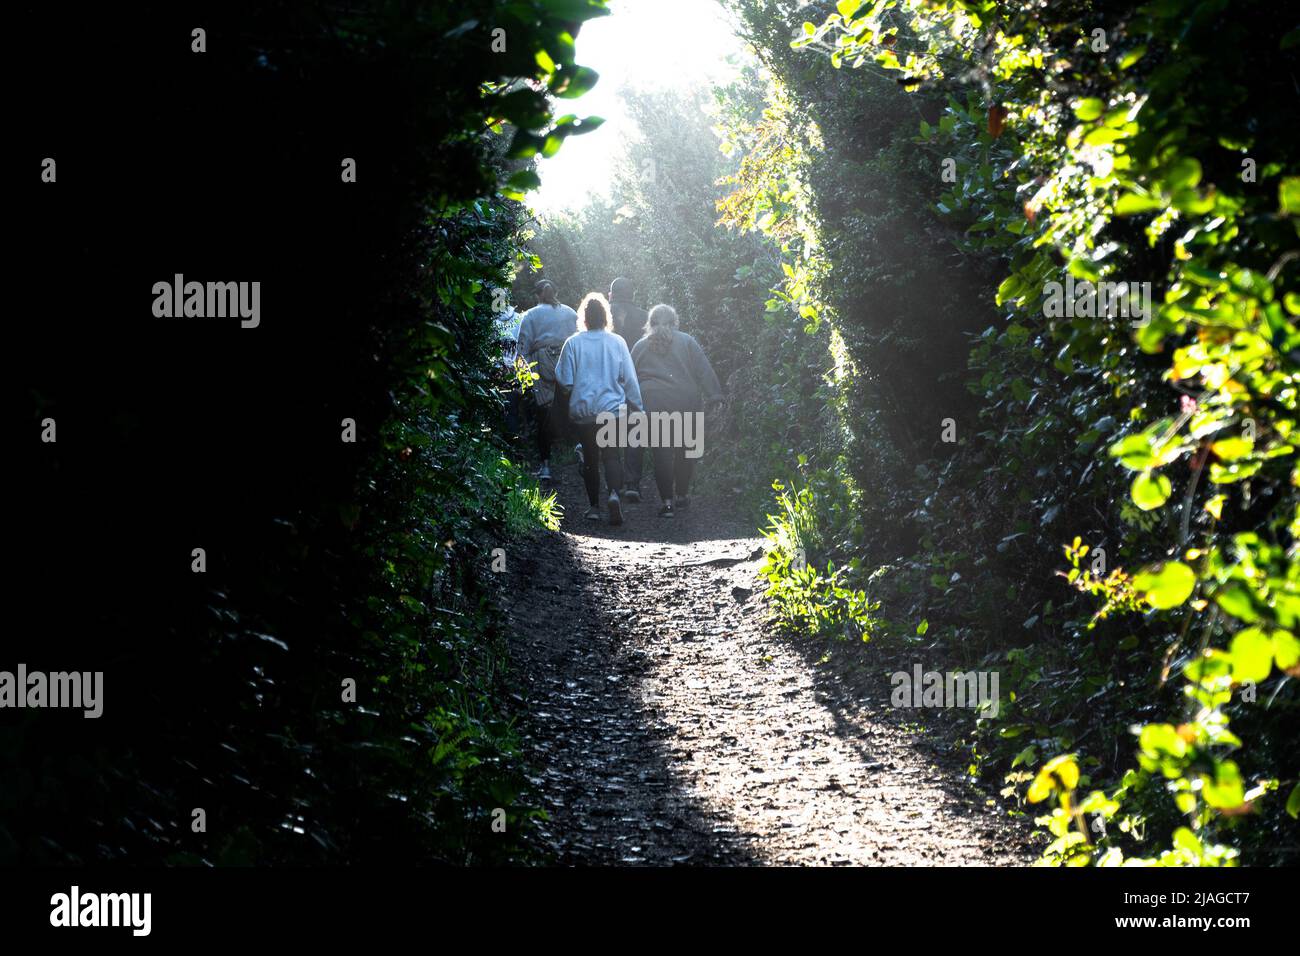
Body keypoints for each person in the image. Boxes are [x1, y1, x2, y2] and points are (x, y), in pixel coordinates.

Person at [555, 293, 643, 525]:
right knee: (612, 455)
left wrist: (574, 392)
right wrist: (638, 407)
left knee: (590, 459)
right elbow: (630, 380)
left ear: (584, 317)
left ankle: (594, 507)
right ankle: (614, 494)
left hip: (584, 411)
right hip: (612, 411)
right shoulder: (617, 342)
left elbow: (564, 380)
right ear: (606, 316)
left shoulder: (573, 343)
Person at [630, 304, 723, 518]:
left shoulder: (640, 346)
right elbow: (703, 370)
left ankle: (667, 503)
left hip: (654, 404)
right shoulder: (687, 341)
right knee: (685, 450)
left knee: (661, 452)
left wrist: (628, 405)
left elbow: (629, 377)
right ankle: (681, 494)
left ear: (649, 323)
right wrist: (715, 395)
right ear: (675, 322)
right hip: (686, 401)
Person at [515, 279, 578, 480]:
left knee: (543, 415)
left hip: (541, 366)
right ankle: (581, 449)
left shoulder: (531, 315)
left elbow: (522, 348)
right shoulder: (570, 312)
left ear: (537, 295)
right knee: (571, 409)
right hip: (568, 363)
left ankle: (546, 467)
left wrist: (523, 377)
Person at [608, 277, 648, 501]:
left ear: (611, 294)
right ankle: (632, 483)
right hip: (637, 379)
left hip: (609, 380)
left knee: (610, 429)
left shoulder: (605, 312)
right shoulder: (644, 316)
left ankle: (613, 484)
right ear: (632, 294)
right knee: (635, 427)